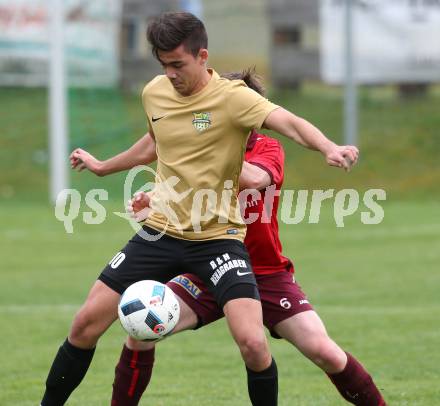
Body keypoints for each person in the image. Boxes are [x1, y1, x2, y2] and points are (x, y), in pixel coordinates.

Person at [43, 12, 359, 406]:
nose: (171, 74)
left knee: (253, 345)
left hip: (218, 241)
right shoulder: (154, 92)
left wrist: (330, 147)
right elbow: (157, 141)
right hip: (159, 233)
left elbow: (288, 122)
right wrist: (104, 167)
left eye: (178, 64)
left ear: (202, 56)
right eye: (164, 65)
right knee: (85, 325)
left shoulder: (233, 98)